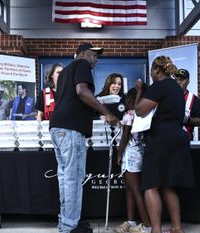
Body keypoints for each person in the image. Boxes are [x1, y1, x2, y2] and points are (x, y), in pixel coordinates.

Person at [49, 43, 119, 233]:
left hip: (57, 128)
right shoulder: (82, 65)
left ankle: (67, 222)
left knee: (65, 178)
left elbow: (74, 99)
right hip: (70, 130)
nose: (96, 59)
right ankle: (70, 227)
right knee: (72, 179)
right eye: (94, 55)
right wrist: (107, 112)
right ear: (83, 54)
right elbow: (82, 92)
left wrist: (94, 106)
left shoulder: (64, 72)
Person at [135, 56, 195, 233]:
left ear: (156, 70)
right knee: (169, 184)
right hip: (178, 135)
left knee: (151, 184)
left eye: (152, 71)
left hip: (161, 138)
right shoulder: (176, 87)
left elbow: (140, 110)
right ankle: (177, 228)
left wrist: (139, 91)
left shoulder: (159, 86)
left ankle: (156, 230)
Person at [115, 87, 151, 233]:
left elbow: (124, 138)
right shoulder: (144, 114)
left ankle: (147, 226)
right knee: (130, 189)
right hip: (140, 153)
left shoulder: (129, 114)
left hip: (130, 155)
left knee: (135, 190)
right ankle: (130, 221)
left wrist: (119, 153)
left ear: (131, 99)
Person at [173, 68, 200, 140]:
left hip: (186, 139)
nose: (178, 82)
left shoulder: (194, 99)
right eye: (176, 79)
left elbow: (199, 121)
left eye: (181, 79)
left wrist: (187, 119)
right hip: (168, 138)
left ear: (188, 81)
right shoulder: (167, 96)